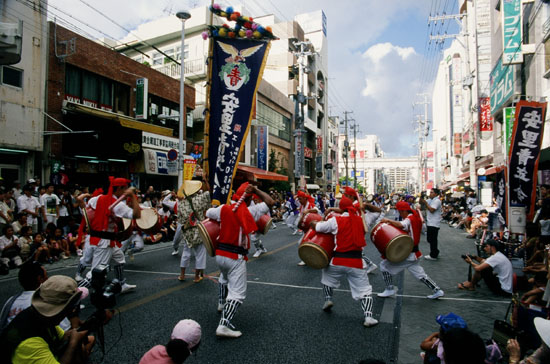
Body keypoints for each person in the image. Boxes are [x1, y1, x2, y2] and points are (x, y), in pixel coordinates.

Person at [205, 182, 274, 338]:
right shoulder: (251, 211)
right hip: (235, 256)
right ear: (249, 199)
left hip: (220, 255)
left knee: (223, 277)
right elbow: (270, 202)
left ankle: (221, 303)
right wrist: (256, 189)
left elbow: (208, 213)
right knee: (237, 294)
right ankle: (224, 325)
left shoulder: (224, 209)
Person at [310, 193, 378, 327]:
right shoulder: (363, 220)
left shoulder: (336, 221)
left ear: (340, 209)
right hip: (357, 262)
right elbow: (378, 212)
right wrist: (366, 206)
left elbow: (317, 227)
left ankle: (328, 299)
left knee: (326, 277)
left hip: (338, 260)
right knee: (365, 290)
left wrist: (313, 223)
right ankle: (369, 317)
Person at [0, 275, 94, 364]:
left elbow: (62, 337)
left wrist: (92, 324)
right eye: (69, 308)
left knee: (89, 339)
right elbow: (69, 342)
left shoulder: (40, 316)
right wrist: (73, 344)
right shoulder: (30, 343)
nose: (72, 310)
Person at [76, 177, 140, 293]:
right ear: (119, 188)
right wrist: (133, 197)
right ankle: (73, 296)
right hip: (104, 242)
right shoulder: (117, 205)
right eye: (124, 188)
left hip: (94, 238)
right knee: (95, 273)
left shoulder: (96, 199)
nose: (125, 191)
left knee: (119, 259)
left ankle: (121, 284)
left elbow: (88, 212)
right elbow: (136, 214)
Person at [377, 201, 445, 300]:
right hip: (413, 252)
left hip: (408, 253)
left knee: (384, 266)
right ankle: (437, 290)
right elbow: (423, 228)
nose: (399, 214)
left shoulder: (410, 218)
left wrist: (388, 221)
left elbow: (401, 225)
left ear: (404, 211)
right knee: (420, 274)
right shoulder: (416, 217)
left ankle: (389, 288)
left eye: (400, 212)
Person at [175, 180, 211, 283]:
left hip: (187, 231)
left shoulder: (181, 204)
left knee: (185, 252)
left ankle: (182, 275)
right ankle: (196, 276)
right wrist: (205, 180)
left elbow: (180, 220)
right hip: (198, 229)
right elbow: (208, 193)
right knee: (200, 253)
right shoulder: (199, 199)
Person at [296, 190, 318, 266]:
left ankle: (305, 259)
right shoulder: (302, 206)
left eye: (300, 199)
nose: (299, 200)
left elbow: (316, 210)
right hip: (307, 228)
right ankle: (310, 258)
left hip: (313, 228)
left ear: (305, 198)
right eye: (298, 199)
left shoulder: (310, 205)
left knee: (301, 242)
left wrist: (308, 210)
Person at [420, 189, 442, 260]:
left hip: (434, 223)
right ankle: (435, 251)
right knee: (431, 239)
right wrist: (422, 197)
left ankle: (433, 255)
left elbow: (432, 210)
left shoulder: (437, 201)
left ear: (436, 194)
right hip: (430, 222)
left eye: (432, 192)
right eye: (430, 192)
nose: (430, 194)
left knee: (432, 239)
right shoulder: (431, 200)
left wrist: (426, 203)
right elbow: (422, 203)